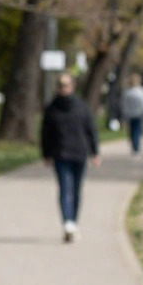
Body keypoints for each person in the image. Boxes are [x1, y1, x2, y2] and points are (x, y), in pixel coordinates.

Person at [40, 72, 100, 241]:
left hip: (80, 153)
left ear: (72, 87)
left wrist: (94, 152)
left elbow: (90, 130)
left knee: (76, 189)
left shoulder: (81, 106)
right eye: (60, 85)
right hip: (60, 154)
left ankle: (73, 221)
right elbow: (45, 133)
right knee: (65, 188)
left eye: (66, 85)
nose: (63, 88)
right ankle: (67, 222)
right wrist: (46, 154)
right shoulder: (52, 108)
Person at [121, 73, 143, 153]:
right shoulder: (141, 91)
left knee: (132, 131)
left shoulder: (127, 92)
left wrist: (125, 114)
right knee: (137, 131)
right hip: (139, 114)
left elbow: (124, 104)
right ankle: (136, 147)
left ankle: (135, 146)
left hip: (131, 114)